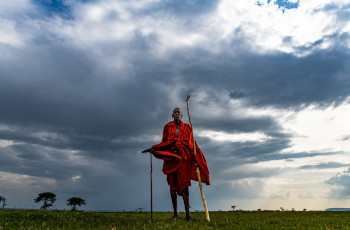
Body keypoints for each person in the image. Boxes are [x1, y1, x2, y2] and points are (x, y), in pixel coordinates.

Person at [142, 108, 210, 221]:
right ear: (172, 114)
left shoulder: (188, 127)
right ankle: (175, 214)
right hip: (171, 159)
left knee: (184, 184)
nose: (177, 113)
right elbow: (164, 142)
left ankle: (188, 215)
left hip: (183, 159)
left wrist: (197, 158)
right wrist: (154, 149)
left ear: (182, 115)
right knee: (172, 185)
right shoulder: (167, 127)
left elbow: (191, 143)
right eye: (175, 112)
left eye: (179, 112)